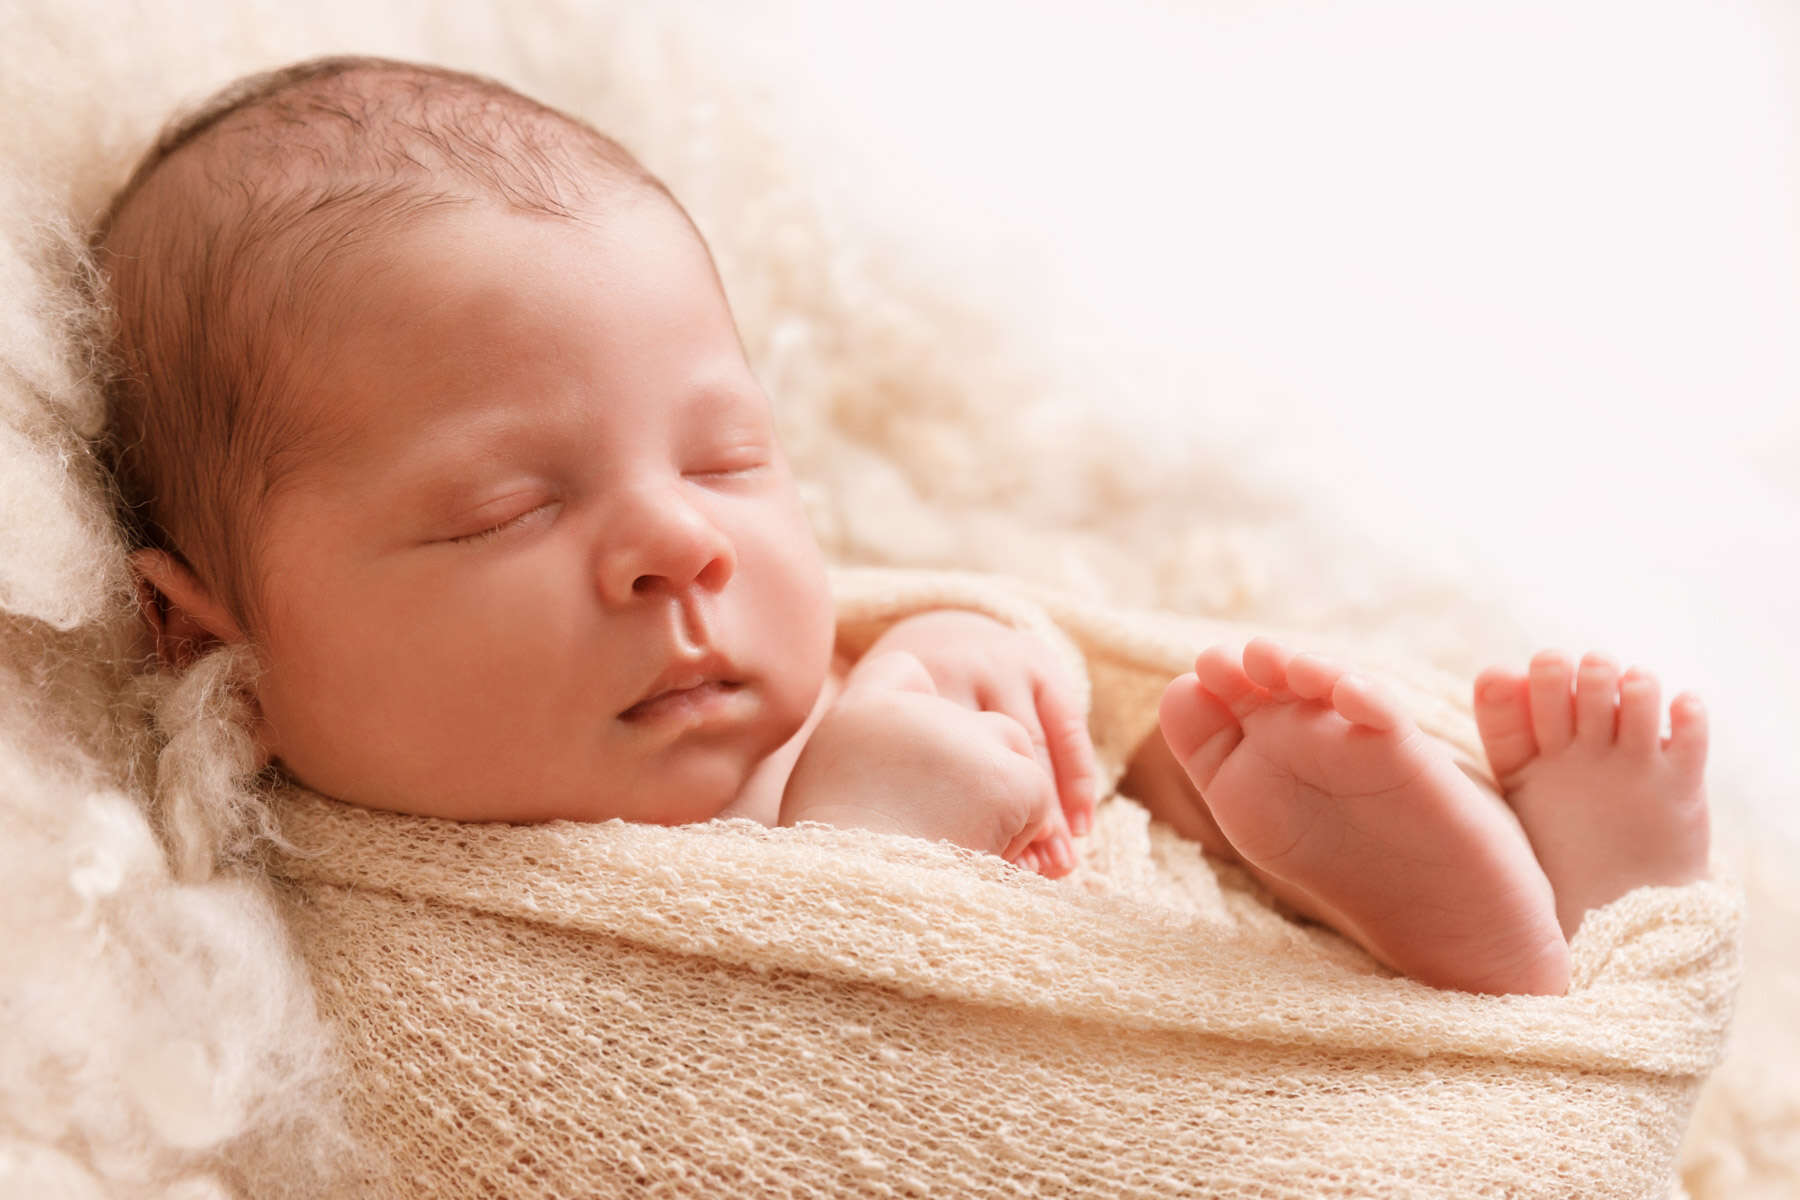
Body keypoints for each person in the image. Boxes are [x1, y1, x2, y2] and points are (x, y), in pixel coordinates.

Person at [94, 55, 1711, 999]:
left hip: (1151, 932)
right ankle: (1518, 975)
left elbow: (997, 648)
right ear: (201, 628)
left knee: (1187, 767)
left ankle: (1515, 918)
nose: (682, 546)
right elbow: (693, 1124)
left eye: (729, 462)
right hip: (1084, 1085)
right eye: (503, 507)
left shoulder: (826, 686)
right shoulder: (347, 920)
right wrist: (862, 864)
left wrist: (966, 657)